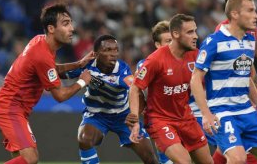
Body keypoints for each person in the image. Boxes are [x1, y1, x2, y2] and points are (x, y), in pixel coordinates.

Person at [0, 4, 93, 164]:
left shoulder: (40, 42)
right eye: (66, 23)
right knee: (30, 159)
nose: (72, 28)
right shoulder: (42, 55)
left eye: (71, 23)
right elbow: (60, 95)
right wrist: (82, 81)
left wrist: (79, 64)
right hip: (10, 108)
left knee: (21, 159)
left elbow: (52, 69)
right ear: (51, 28)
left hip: (14, 108)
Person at [191, 0, 257, 163]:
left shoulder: (250, 40)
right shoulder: (214, 41)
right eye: (251, 10)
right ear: (234, 14)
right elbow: (195, 79)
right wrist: (206, 114)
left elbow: (245, 74)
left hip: (245, 110)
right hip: (222, 111)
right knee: (237, 159)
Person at [128, 14, 213, 164]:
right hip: (160, 120)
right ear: (175, 34)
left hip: (186, 117)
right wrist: (135, 120)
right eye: (190, 32)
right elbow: (135, 88)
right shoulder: (155, 60)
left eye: (195, 31)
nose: (196, 36)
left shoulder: (195, 55)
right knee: (184, 161)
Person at [61, 34, 158, 164]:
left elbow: (136, 89)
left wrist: (137, 113)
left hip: (123, 115)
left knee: (150, 159)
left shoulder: (122, 70)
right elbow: (57, 72)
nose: (113, 54)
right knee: (84, 139)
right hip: (96, 115)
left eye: (116, 50)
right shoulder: (87, 66)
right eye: (107, 50)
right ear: (95, 54)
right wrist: (76, 64)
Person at [133, 20, 173, 164]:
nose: (172, 44)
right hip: (160, 117)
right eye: (168, 40)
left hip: (189, 115)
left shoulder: (188, 59)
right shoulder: (147, 64)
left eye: (173, 40)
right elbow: (139, 91)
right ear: (157, 44)